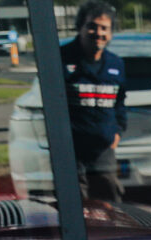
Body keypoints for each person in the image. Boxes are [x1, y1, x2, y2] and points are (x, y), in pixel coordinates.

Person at [61, 0, 126, 202]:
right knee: (77, 205)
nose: (98, 33)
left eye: (104, 28)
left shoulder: (116, 63)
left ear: (111, 33)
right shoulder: (61, 58)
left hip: (103, 149)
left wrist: (118, 132)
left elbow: (120, 103)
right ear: (80, 27)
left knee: (111, 204)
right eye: (92, 26)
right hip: (72, 150)